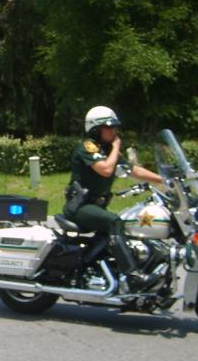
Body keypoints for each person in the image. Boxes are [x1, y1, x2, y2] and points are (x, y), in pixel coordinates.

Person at [63, 105, 163, 291]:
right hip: (80, 207)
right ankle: (133, 276)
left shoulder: (108, 150)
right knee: (114, 222)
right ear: (95, 129)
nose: (114, 131)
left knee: (126, 223)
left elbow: (133, 170)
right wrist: (116, 147)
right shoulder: (87, 147)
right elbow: (106, 169)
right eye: (109, 127)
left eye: (114, 127)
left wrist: (163, 180)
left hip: (96, 207)